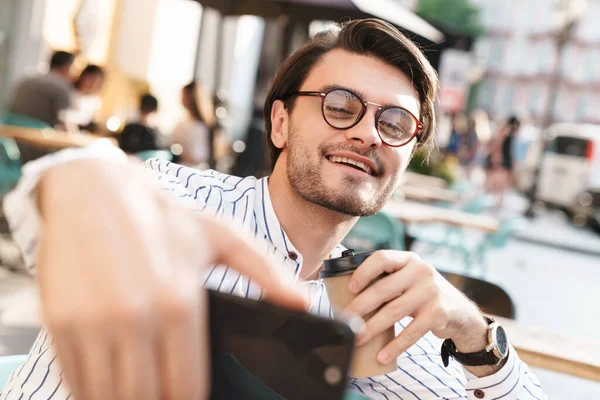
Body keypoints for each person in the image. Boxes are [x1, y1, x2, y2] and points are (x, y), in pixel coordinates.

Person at [2, 19, 545, 399]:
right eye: (339, 106)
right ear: (280, 123)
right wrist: (77, 185)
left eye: (395, 123)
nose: (365, 132)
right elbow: (91, 188)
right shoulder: (184, 204)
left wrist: (473, 333)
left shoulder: (382, 305)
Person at [7, 51, 75, 163]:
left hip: (9, 146)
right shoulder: (62, 87)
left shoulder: (25, 80)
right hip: (38, 150)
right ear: (67, 67)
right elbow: (66, 125)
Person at [170, 81, 211, 166]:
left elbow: (197, 156)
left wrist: (180, 153)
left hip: (188, 170)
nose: (181, 99)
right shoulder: (187, 123)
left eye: (184, 95)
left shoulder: (196, 127)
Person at [486, 115, 521, 208]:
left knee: (502, 185)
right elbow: (497, 146)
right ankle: (494, 204)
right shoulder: (506, 132)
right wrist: (497, 160)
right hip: (502, 162)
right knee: (498, 184)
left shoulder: (508, 132)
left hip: (505, 161)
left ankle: (497, 203)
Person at [70, 65, 106, 132]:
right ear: (83, 76)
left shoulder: (95, 101)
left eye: (97, 82)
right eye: (91, 79)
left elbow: (94, 120)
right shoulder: (69, 93)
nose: (93, 84)